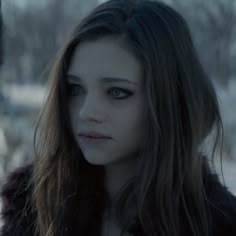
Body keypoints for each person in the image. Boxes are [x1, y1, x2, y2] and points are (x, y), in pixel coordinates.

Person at [1, 0, 236, 235]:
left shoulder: (217, 224)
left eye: (117, 92)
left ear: (170, 100)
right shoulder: (33, 207)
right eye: (75, 89)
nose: (86, 112)